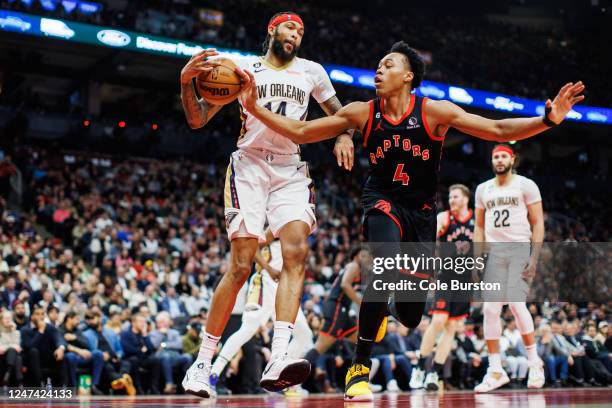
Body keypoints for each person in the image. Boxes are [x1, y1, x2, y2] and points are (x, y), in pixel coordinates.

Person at [236, 39, 585, 400]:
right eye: (379, 64)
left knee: (412, 314)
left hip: (420, 214)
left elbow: (497, 130)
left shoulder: (434, 112)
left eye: (388, 65)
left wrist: (548, 119)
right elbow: (303, 132)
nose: (379, 69)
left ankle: (387, 305)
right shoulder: (362, 112)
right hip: (382, 201)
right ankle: (359, 369)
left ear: (408, 76)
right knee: (383, 268)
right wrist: (254, 107)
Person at [179, 11, 354, 397]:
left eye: (302, 31)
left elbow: (339, 113)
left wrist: (344, 136)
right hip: (250, 166)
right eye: (291, 27)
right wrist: (186, 83)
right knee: (241, 266)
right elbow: (198, 119)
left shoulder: (312, 71)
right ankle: (202, 363)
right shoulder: (242, 69)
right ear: (273, 30)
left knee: (297, 253)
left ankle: (278, 356)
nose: (296, 34)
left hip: (290, 169)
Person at [473, 144, 546, 392]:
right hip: (494, 252)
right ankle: (495, 370)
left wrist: (534, 257)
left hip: (518, 249)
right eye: (496, 156)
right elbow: (479, 227)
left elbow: (537, 223)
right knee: (490, 310)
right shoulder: (483, 189)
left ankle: (535, 363)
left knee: (516, 304)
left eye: (504, 155)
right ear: (492, 161)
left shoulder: (526, 185)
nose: (500, 159)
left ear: (512, 159)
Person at [209, 237, 312, 396]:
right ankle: (213, 374)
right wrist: (269, 268)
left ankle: (279, 376)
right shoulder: (276, 226)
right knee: (247, 330)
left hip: (284, 287)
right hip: (264, 282)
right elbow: (253, 248)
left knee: (304, 333)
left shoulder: (298, 228)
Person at [411, 184, 474, 390]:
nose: (452, 200)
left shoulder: (477, 222)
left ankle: (434, 374)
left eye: (455, 197)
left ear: (466, 199)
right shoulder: (445, 218)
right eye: (450, 197)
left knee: (451, 328)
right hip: (445, 276)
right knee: (438, 321)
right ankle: (420, 368)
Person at [303, 246, 365, 370]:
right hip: (336, 307)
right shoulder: (354, 266)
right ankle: (294, 377)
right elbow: (345, 285)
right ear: (356, 256)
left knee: (361, 342)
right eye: (364, 255)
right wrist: (360, 302)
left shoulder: (355, 268)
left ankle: (359, 376)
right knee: (320, 346)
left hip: (343, 309)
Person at [82, 309, 135, 396]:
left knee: (127, 363)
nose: (90, 321)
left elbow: (119, 349)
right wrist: (101, 355)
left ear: (99, 318)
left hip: (114, 358)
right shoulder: (86, 334)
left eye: (92, 318)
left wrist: (118, 355)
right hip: (102, 360)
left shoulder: (110, 332)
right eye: (88, 319)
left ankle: (122, 380)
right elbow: (88, 351)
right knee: (108, 367)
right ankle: (123, 381)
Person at [20, 304, 68, 386]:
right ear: (32, 316)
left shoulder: (50, 328)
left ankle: (63, 386)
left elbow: (59, 338)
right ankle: (40, 384)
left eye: (42, 314)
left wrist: (61, 348)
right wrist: (40, 331)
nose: (41, 317)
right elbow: (30, 346)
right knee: (33, 351)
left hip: (47, 358)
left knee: (62, 354)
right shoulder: (25, 330)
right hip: (31, 360)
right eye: (37, 314)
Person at [61, 310, 105, 394]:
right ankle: (73, 387)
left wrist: (75, 338)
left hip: (81, 357)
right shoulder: (60, 329)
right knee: (70, 356)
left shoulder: (77, 331)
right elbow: (62, 345)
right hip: (69, 357)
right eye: (76, 319)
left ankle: (94, 385)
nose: (78, 322)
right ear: (69, 319)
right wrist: (79, 351)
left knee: (98, 353)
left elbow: (86, 343)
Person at [149, 311, 193, 394]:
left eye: (165, 322)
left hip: (176, 357)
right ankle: (169, 384)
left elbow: (179, 345)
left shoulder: (174, 332)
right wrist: (162, 335)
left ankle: (187, 384)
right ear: (157, 323)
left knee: (187, 357)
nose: (164, 324)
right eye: (162, 322)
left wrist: (165, 344)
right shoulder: (153, 333)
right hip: (161, 357)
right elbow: (154, 345)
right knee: (166, 356)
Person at [121, 313, 162, 394]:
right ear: (133, 322)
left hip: (143, 359)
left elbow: (151, 349)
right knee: (134, 360)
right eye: (140, 321)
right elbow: (127, 349)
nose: (143, 324)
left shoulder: (143, 334)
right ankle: (138, 387)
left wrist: (145, 335)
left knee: (156, 360)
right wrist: (141, 350)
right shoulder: (126, 334)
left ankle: (154, 387)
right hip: (130, 359)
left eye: (144, 322)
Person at [0, 310, 23, 387]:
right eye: (6, 318)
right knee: (15, 355)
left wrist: (13, 331)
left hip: (11, 357)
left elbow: (18, 346)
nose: (8, 320)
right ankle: (19, 383)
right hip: (1, 357)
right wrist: (10, 346)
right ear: (1, 320)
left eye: (10, 318)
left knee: (16, 356)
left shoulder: (16, 332)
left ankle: (8, 375)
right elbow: (1, 349)